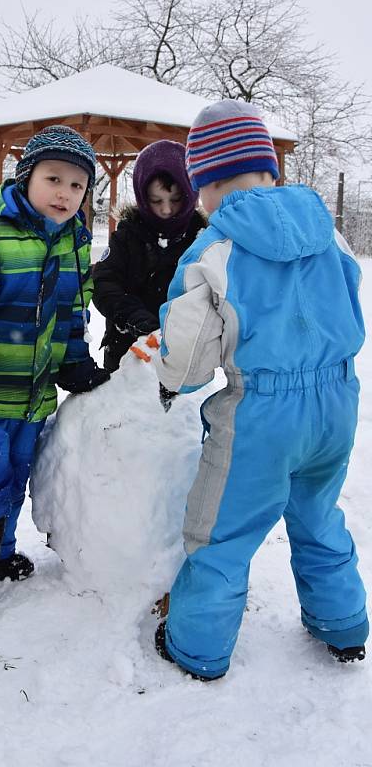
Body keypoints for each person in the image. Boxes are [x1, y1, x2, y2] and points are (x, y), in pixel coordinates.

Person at [153, 98, 368, 681]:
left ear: (206, 186)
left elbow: (192, 352)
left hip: (263, 413)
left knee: (221, 532)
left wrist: (172, 378)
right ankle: (344, 625)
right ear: (271, 171)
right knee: (319, 515)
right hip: (337, 402)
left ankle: (197, 647)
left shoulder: (215, 248)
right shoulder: (328, 234)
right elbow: (353, 306)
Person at [0, 124, 110, 609]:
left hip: (34, 397)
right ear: (26, 177)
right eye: (54, 179)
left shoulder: (72, 243)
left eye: (77, 185)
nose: (65, 194)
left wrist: (75, 361)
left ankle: (1, 550)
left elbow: (74, 311)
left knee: (16, 476)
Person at [92, 140, 205, 372]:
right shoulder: (127, 235)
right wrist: (133, 317)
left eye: (175, 200)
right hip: (125, 353)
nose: (166, 210)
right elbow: (104, 283)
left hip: (184, 357)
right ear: (143, 198)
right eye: (156, 201)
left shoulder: (202, 239)